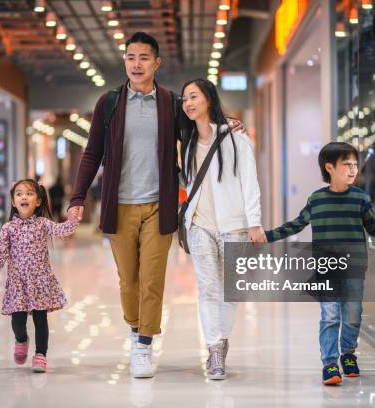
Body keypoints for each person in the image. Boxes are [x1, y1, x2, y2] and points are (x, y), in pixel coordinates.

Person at [67, 32, 245, 379]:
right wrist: (77, 198)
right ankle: (135, 328)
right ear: (125, 62)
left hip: (158, 206)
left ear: (156, 63)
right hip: (118, 207)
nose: (137, 64)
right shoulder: (110, 103)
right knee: (127, 282)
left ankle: (143, 345)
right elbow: (92, 154)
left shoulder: (170, 102)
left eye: (144, 58)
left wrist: (227, 126)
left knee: (152, 280)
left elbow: (199, 130)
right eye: (131, 57)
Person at [264, 142, 375, 385]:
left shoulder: (360, 198)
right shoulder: (317, 199)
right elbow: (296, 224)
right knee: (330, 316)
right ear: (329, 167)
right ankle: (330, 364)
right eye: (346, 165)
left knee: (352, 315)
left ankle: (348, 354)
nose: (353, 170)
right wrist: (267, 236)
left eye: (355, 164)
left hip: (354, 268)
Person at [180, 78, 265, 380]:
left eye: (193, 96)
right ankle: (214, 349)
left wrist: (254, 222)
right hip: (199, 224)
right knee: (208, 288)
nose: (188, 103)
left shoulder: (237, 139)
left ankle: (222, 338)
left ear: (208, 99)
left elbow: (249, 182)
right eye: (184, 98)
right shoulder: (188, 140)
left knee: (232, 290)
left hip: (235, 225)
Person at [0, 179, 78, 373]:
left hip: (40, 281)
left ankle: (40, 354)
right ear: (13, 202)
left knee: (40, 319)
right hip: (18, 282)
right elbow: (1, 250)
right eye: (19, 194)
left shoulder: (42, 224)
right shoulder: (8, 228)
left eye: (29, 193)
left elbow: (61, 230)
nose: (24, 197)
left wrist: (72, 220)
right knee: (17, 320)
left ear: (38, 201)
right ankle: (21, 339)